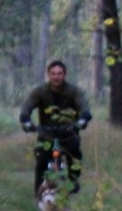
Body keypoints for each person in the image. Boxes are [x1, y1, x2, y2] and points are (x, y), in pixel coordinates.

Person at [19, 60, 91, 195]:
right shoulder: (40, 91)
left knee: (75, 155)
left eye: (59, 74)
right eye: (53, 74)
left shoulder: (73, 91)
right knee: (41, 160)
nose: (56, 77)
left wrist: (82, 119)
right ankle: (39, 192)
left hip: (68, 132)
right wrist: (26, 120)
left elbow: (84, 107)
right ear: (48, 75)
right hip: (46, 134)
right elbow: (27, 107)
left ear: (64, 75)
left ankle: (73, 181)